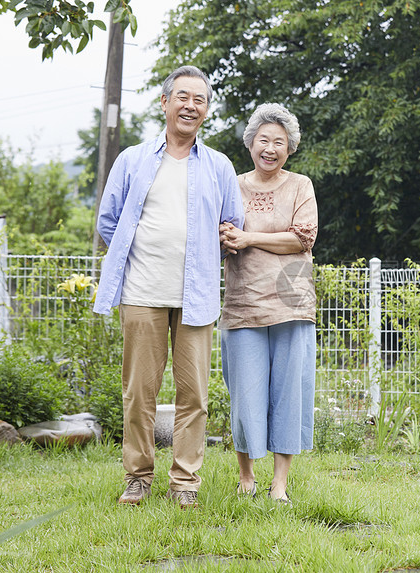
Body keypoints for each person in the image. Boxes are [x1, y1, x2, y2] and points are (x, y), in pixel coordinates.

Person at [93, 65, 244, 508]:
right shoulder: (133, 159)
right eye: (182, 97)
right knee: (139, 391)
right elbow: (108, 220)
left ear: (206, 110)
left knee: (193, 394)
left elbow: (232, 223)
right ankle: (138, 477)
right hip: (141, 292)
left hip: (195, 296)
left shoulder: (218, 165)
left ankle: (185, 483)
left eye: (199, 100)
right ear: (164, 103)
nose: (190, 105)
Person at [219, 103, 318, 503]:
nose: (271, 148)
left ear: (289, 148)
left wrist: (249, 238)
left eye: (279, 142)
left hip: (292, 301)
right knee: (245, 391)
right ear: (250, 144)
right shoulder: (233, 184)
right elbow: (223, 233)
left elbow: (303, 238)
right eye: (264, 140)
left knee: (288, 392)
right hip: (243, 302)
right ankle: (246, 477)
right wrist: (232, 237)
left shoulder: (300, 185)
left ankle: (280, 483)